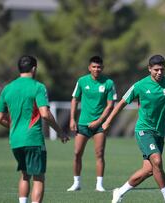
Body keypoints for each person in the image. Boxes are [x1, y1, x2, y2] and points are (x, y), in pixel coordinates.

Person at [102, 54, 165, 203]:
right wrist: (108, 121)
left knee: (149, 170)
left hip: (159, 133)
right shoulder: (140, 86)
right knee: (157, 160)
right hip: (144, 130)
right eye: (156, 69)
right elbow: (121, 103)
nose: (159, 72)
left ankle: (120, 191)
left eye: (162, 69)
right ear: (149, 69)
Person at [0, 55, 69, 203]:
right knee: (38, 177)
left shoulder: (7, 89)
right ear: (34, 68)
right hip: (33, 139)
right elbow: (45, 114)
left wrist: (15, 127)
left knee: (24, 174)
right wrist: (60, 132)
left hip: (15, 140)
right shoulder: (38, 87)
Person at [67, 56, 117, 192]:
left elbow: (110, 105)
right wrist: (72, 119)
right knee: (77, 153)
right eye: (94, 67)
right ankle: (76, 182)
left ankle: (99, 184)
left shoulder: (108, 83)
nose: (97, 69)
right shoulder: (82, 81)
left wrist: (99, 121)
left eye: (99, 67)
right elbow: (74, 100)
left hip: (99, 125)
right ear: (89, 68)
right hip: (83, 124)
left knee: (99, 153)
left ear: (103, 68)